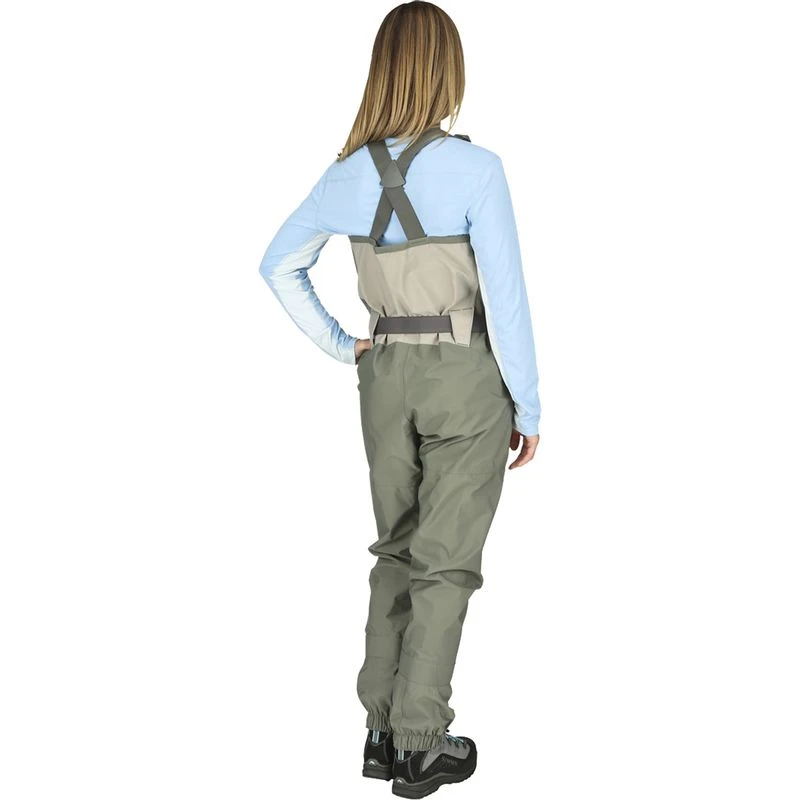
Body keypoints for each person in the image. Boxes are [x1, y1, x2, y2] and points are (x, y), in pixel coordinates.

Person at [258, 2, 541, 795]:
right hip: (464, 378)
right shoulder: (476, 169)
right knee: (444, 564)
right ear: (447, 71)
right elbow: (506, 300)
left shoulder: (344, 175)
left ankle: (380, 733)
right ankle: (421, 742)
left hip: (382, 378)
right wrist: (529, 406)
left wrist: (344, 344)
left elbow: (277, 266)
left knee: (396, 550)